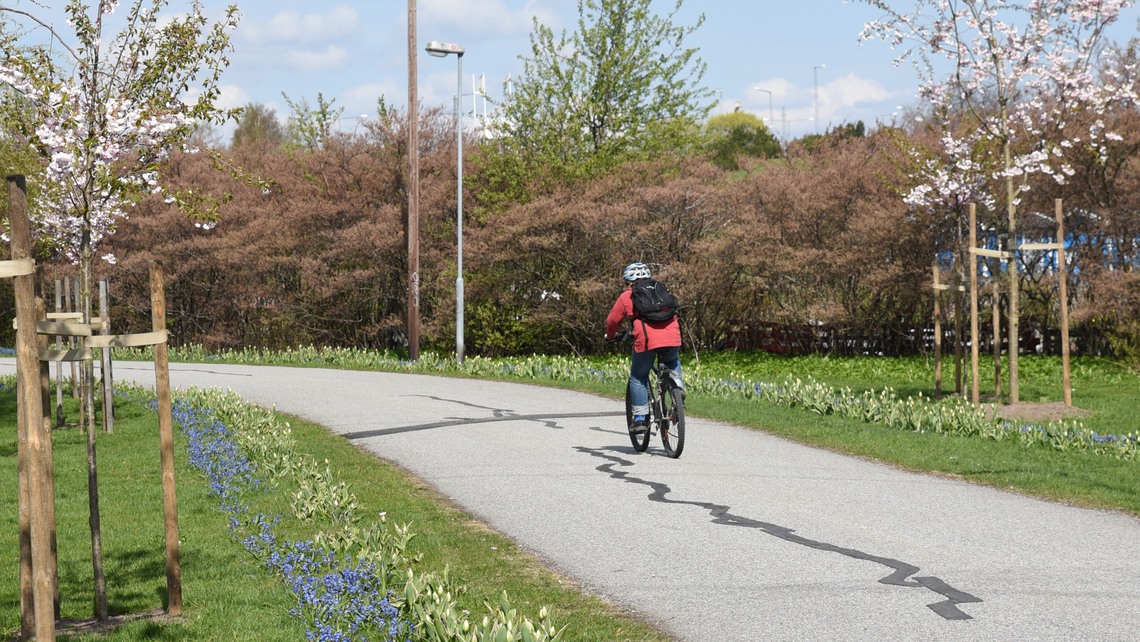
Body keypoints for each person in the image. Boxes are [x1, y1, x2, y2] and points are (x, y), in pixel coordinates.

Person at [604, 262, 683, 434]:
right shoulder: (660, 290)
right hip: (672, 337)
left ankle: (639, 419)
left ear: (628, 281)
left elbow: (612, 321)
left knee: (638, 376)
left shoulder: (627, 296)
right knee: (672, 360)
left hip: (647, 340)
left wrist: (610, 336)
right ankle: (678, 388)